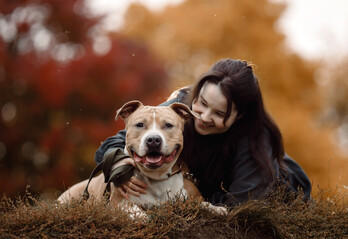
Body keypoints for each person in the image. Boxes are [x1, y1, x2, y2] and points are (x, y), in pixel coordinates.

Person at [94, 58, 312, 207]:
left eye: (219, 113)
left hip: (262, 192)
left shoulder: (255, 141)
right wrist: (118, 162)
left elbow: (241, 204)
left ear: (240, 115)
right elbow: (128, 136)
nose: (204, 117)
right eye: (202, 103)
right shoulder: (180, 107)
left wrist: (190, 196)